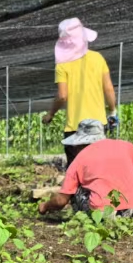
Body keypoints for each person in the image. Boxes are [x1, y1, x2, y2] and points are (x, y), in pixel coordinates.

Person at [38, 121, 133, 217]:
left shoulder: (78, 160)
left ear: (79, 144)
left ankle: (97, 214)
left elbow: (61, 201)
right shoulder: (124, 145)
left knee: (76, 189)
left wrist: (45, 206)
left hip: (103, 213)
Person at [43, 18, 117, 164]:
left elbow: (62, 96)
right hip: (97, 126)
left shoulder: (62, 65)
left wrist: (50, 114)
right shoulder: (97, 58)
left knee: (75, 171)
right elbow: (108, 88)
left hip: (75, 128)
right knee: (97, 169)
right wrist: (113, 111)